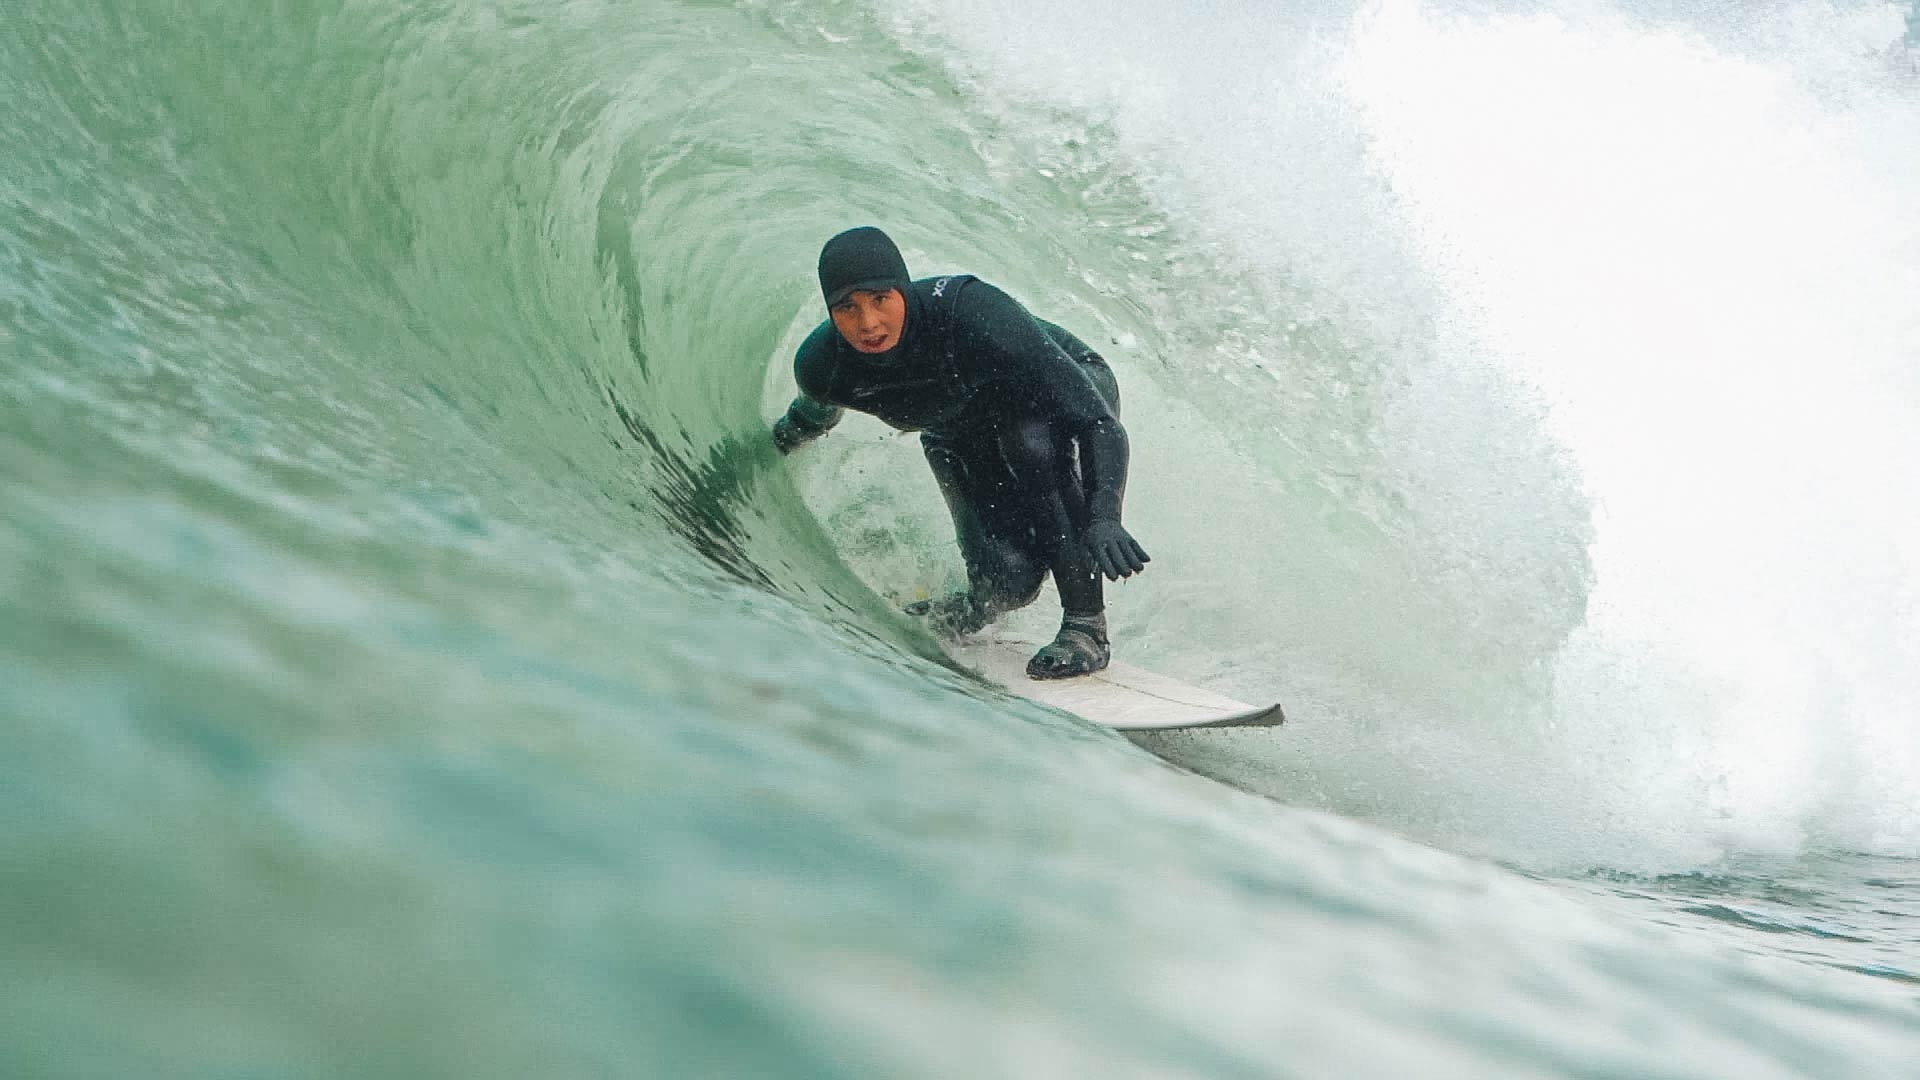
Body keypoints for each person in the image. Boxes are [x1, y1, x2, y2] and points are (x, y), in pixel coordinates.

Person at [772, 226, 1150, 678]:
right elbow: (812, 415)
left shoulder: (971, 312)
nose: (868, 323)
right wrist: (772, 448)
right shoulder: (824, 366)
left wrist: (1104, 515)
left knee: (1028, 441)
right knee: (1009, 583)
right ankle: (974, 606)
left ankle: (1086, 628)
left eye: (880, 299)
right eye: (847, 308)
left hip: (1069, 392)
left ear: (904, 291)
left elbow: (1096, 421)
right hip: (962, 432)